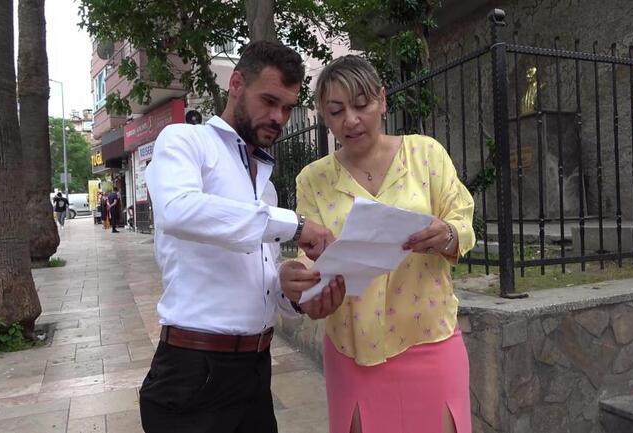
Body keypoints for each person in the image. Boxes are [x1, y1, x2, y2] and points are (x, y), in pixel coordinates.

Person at [139, 40, 346, 433]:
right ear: (236, 84)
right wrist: (295, 225)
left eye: (287, 108)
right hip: (193, 369)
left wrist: (292, 292)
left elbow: (259, 284)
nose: (278, 117)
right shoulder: (185, 141)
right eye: (268, 101)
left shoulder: (265, 188)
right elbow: (177, 210)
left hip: (255, 369)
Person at [279, 55, 477, 433]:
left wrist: (447, 234)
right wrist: (299, 278)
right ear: (323, 116)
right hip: (353, 348)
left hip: (429, 339)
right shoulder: (313, 180)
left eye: (362, 104)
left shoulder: (426, 154)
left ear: (383, 100)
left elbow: (462, 220)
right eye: (336, 111)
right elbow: (311, 256)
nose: (351, 120)